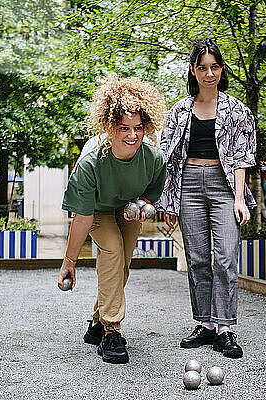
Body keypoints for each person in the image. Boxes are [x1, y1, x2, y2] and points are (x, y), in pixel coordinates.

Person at [157, 38, 256, 359]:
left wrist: (239, 199)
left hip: (223, 185)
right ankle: (205, 324)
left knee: (225, 257)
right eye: (202, 67)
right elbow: (167, 158)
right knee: (197, 259)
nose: (209, 73)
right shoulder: (180, 111)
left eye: (214, 67)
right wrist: (168, 202)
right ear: (192, 70)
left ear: (221, 69)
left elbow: (242, 157)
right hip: (188, 185)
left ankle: (225, 328)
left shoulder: (238, 110)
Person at [58, 76, 167, 364]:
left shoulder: (154, 158)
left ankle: (96, 322)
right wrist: (69, 262)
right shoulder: (91, 162)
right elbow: (82, 218)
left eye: (138, 128)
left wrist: (143, 205)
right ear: (109, 127)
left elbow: (150, 196)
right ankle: (110, 331)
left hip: (126, 205)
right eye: (124, 128)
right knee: (113, 250)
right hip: (96, 209)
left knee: (123, 263)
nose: (132, 135)